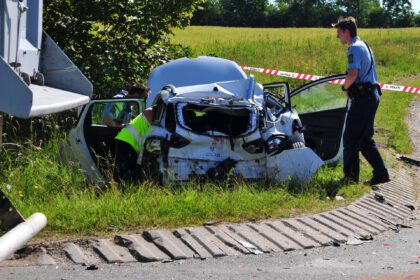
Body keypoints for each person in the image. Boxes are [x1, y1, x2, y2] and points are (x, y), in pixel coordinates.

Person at [333, 16, 390, 186]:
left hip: (364, 99)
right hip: (372, 96)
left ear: (346, 31)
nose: (338, 36)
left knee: (350, 138)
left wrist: (344, 88)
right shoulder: (364, 45)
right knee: (365, 139)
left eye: (339, 32)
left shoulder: (354, 49)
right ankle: (381, 174)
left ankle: (350, 179)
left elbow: (353, 75)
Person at [113, 107, 154, 183]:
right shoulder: (151, 111)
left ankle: (122, 188)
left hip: (126, 140)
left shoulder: (155, 111)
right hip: (127, 141)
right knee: (125, 172)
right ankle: (122, 189)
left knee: (126, 170)